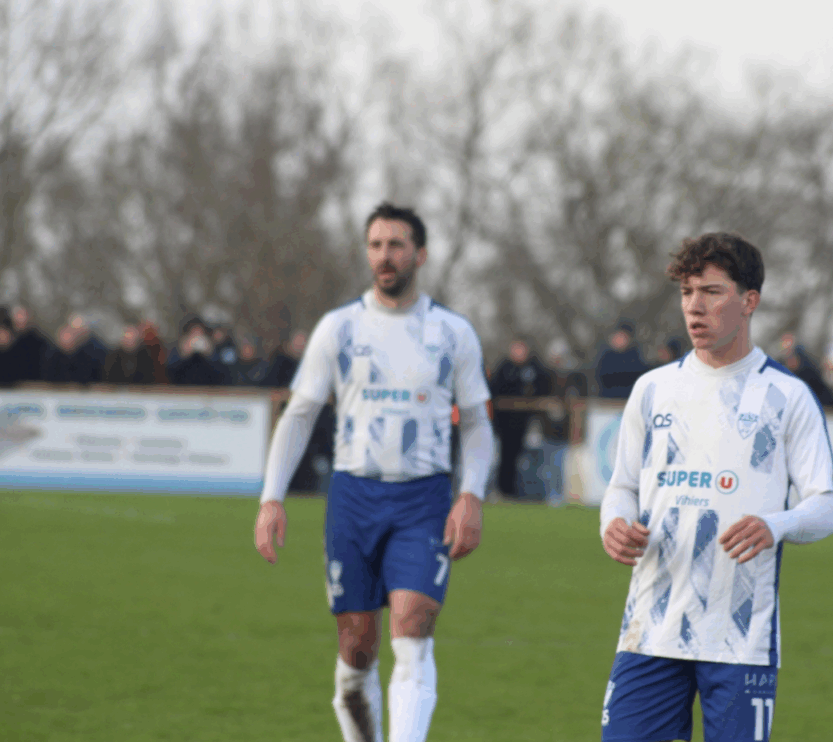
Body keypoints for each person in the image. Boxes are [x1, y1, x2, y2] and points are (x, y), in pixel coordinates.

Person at [253, 202, 495, 742]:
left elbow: (477, 422)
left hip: (424, 499)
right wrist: (272, 498)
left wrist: (471, 494)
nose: (385, 256)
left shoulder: (452, 332)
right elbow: (299, 415)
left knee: (412, 628)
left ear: (420, 253)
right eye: (376, 245)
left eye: (396, 244)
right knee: (358, 647)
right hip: (353, 498)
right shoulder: (339, 329)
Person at [599, 233, 833, 742]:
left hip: (739, 638)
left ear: (749, 301)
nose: (695, 306)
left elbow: (829, 505)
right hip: (650, 630)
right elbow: (622, 486)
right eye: (688, 292)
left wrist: (778, 525)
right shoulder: (652, 390)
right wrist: (614, 523)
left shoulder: (786, 396)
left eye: (711, 292)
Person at [488, 339, 553, 498]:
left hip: (529, 421)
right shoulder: (504, 368)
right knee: (506, 457)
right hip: (505, 422)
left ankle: (529, 492)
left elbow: (545, 386)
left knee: (530, 458)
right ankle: (505, 491)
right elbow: (495, 390)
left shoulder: (535, 368)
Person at [168, 316, 231, 386]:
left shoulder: (214, 350)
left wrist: (209, 354)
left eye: (200, 333)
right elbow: (170, 373)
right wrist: (183, 354)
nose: (197, 338)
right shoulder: (177, 350)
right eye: (193, 333)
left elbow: (222, 374)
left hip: (208, 390)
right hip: (183, 390)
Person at [595, 322, 649, 398]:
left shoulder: (634, 356)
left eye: (622, 336)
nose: (618, 339)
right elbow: (602, 377)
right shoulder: (606, 356)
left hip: (627, 398)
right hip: (608, 399)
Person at [8, 305, 52, 381]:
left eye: (22, 315)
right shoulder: (6, 340)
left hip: (31, 385)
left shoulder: (39, 342)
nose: (20, 319)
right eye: (18, 315)